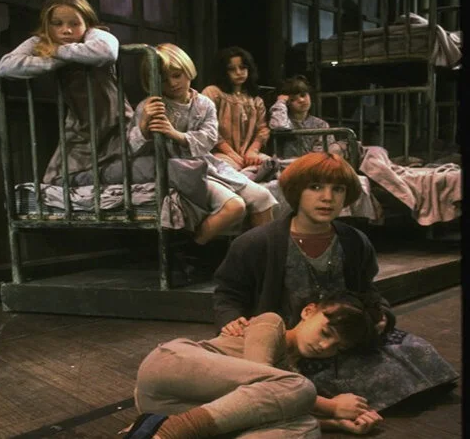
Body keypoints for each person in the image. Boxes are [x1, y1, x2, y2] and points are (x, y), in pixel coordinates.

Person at [213, 151, 459, 412]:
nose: (327, 197)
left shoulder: (354, 241)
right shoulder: (257, 242)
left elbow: (367, 292)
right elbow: (228, 293)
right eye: (315, 187)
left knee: (415, 349)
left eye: (338, 189)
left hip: (338, 336)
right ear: (297, 192)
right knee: (357, 375)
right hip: (290, 343)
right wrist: (232, 319)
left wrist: (381, 315)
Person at [122, 289, 385, 438]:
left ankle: (149, 430)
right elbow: (257, 376)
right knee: (300, 388)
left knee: (306, 428)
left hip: (175, 407)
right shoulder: (270, 323)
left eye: (338, 347)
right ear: (308, 311)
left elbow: (252, 409)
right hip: (171, 366)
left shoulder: (289, 375)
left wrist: (336, 425)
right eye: (326, 333)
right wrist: (332, 407)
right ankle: (166, 434)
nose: (325, 347)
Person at [127, 43, 278, 249]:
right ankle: (193, 249)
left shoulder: (204, 103)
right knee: (235, 206)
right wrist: (144, 126)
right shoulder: (150, 106)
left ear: (187, 70)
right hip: (175, 169)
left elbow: (209, 138)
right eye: (163, 79)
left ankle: (263, 256)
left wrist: (177, 135)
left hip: (205, 163)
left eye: (177, 75)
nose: (172, 83)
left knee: (262, 197)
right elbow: (132, 149)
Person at [0, 0, 133, 185]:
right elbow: (5, 67)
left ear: (86, 23)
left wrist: (57, 51)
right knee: (55, 180)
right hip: (80, 126)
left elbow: (107, 52)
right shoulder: (43, 41)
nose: (66, 30)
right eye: (57, 24)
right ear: (47, 25)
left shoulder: (93, 34)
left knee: (126, 167)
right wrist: (52, 60)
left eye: (74, 24)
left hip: (115, 120)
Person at [202, 46, 272, 171]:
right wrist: (231, 154)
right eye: (232, 69)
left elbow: (262, 130)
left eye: (243, 67)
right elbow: (208, 128)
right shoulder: (213, 93)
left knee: (270, 164)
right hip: (219, 153)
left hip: (248, 155)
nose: (239, 72)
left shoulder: (255, 100)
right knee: (229, 169)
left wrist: (253, 151)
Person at [269, 75, 346, 160]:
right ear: (287, 103)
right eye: (293, 99)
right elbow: (279, 125)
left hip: (314, 164)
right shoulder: (285, 121)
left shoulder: (320, 124)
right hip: (288, 165)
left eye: (303, 95)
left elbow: (323, 154)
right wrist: (281, 102)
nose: (301, 100)